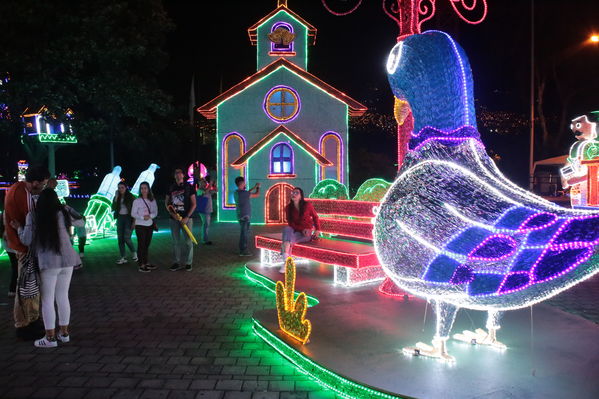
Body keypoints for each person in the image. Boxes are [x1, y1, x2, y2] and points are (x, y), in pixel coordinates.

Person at [13, 188, 80, 348]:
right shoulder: (63, 212)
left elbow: (27, 240)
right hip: (68, 259)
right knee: (63, 296)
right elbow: (81, 221)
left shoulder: (34, 215)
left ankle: (50, 338)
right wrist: (67, 208)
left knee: (48, 300)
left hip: (48, 262)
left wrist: (18, 228)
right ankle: (64, 334)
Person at [4, 165, 49, 339]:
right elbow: (32, 223)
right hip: (25, 247)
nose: (43, 187)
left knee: (28, 286)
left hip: (22, 245)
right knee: (25, 287)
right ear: (35, 182)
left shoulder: (17, 189)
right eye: (43, 184)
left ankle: (31, 319)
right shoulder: (23, 196)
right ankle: (23, 324)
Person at [279, 187, 320, 273]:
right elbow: (290, 223)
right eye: (292, 192)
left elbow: (315, 217)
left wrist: (317, 230)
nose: (293, 194)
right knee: (287, 230)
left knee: (286, 241)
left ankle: (285, 263)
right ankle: (286, 262)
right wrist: (301, 229)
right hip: (295, 231)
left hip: (306, 234)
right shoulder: (288, 208)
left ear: (301, 196)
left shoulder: (307, 205)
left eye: (296, 193)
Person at [166, 169, 196, 271]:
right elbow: (167, 203)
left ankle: (188, 263)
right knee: (175, 242)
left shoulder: (189, 187)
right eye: (176, 173)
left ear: (183, 175)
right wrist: (171, 213)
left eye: (180, 172)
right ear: (174, 176)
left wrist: (187, 217)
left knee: (188, 242)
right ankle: (176, 262)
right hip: (174, 219)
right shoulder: (171, 187)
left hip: (186, 219)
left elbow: (194, 203)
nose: (178, 174)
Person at [132, 182, 158, 273]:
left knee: (146, 245)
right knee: (141, 245)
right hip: (140, 225)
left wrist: (150, 216)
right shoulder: (137, 201)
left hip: (149, 225)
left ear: (148, 189)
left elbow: (155, 212)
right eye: (142, 188)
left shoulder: (152, 200)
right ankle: (141, 265)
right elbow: (133, 213)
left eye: (145, 188)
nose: (143, 190)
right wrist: (143, 217)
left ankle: (146, 262)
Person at [234, 177, 260, 256]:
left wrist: (254, 187)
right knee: (244, 234)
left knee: (244, 233)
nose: (245, 184)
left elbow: (247, 192)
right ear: (241, 183)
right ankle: (243, 250)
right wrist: (258, 187)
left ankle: (242, 249)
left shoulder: (237, 192)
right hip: (245, 216)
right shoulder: (244, 193)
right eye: (244, 183)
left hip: (240, 215)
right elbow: (257, 195)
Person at [112, 182, 137, 264]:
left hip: (128, 218)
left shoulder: (131, 197)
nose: (120, 189)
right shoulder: (117, 197)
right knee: (120, 239)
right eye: (119, 188)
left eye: (122, 187)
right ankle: (123, 257)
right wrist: (116, 198)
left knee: (126, 238)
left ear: (126, 188)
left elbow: (135, 210)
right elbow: (113, 208)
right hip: (120, 218)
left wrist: (134, 221)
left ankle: (134, 253)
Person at [1, 212, 18, 297]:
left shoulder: (5, 212)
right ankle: (13, 289)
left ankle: (13, 289)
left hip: (8, 242)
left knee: (16, 266)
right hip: (12, 242)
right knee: (17, 266)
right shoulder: (9, 212)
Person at [196, 177, 216, 245]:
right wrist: (210, 184)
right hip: (203, 210)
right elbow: (204, 193)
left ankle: (205, 239)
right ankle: (204, 240)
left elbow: (216, 190)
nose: (204, 183)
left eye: (205, 181)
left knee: (206, 225)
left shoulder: (207, 189)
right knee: (205, 224)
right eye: (202, 181)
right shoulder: (199, 190)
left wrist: (214, 184)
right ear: (199, 183)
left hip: (208, 210)